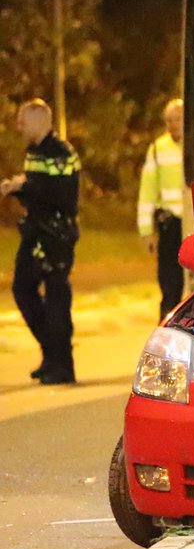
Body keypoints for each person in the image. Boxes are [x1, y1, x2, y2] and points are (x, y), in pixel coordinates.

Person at [1, 99, 81, 384]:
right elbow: (39, 189)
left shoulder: (60, 153)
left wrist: (25, 186)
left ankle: (62, 364)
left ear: (38, 121)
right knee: (23, 288)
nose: (19, 126)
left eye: (23, 120)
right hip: (37, 230)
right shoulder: (34, 152)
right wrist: (20, 189)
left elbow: (61, 194)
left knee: (57, 296)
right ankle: (52, 353)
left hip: (56, 234)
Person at [137, 98, 187, 317]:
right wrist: (145, 230)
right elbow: (147, 192)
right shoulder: (158, 149)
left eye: (177, 119)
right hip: (171, 224)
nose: (172, 124)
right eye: (168, 120)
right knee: (169, 283)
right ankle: (167, 325)